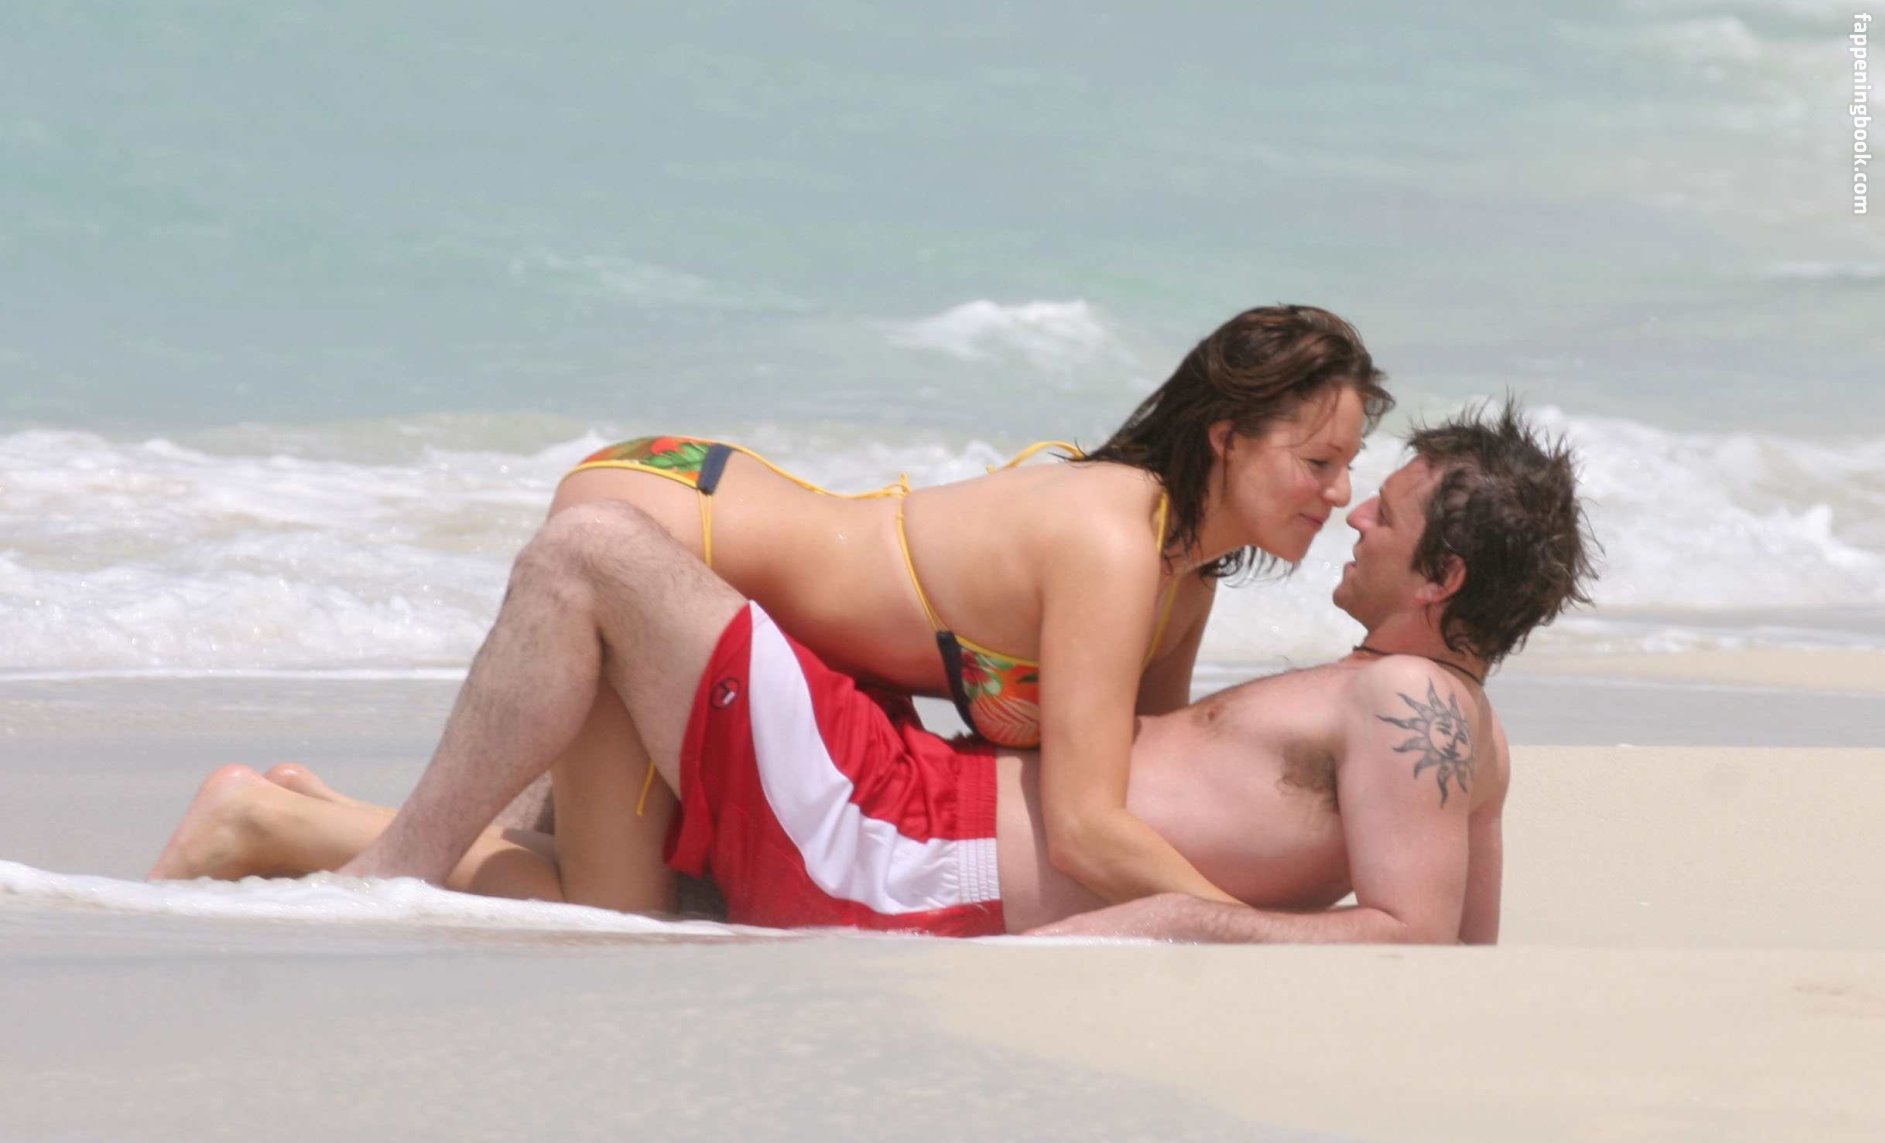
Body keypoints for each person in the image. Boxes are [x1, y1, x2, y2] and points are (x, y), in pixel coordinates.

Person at [152, 402, 1595, 943]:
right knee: (631, 899)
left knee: (589, 550)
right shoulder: (1453, 732)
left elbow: (1411, 945)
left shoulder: (1411, 704)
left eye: (1388, 510)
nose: (1355, 513)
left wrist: (1175, 925)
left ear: (1441, 576)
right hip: (914, 817)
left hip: (907, 842)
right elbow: (1456, 942)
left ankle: (382, 868)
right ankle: (276, 823)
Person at [473, 305, 1391, 910]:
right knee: (620, 911)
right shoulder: (1116, 544)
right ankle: (384, 844)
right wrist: (1245, 936)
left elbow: (1140, 783)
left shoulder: (1183, 581)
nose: (1340, 492)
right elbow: (1083, 827)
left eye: (1347, 465)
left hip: (717, 554)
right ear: (1227, 439)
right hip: (674, 535)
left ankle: (406, 834)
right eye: (1317, 463)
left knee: (638, 884)